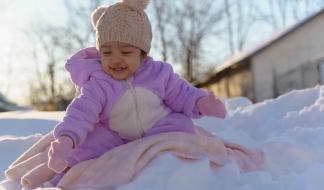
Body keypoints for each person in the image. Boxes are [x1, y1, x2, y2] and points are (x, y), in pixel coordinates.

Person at [47, 0, 226, 185]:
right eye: (106, 52)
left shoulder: (159, 73)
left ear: (142, 53)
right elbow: (81, 113)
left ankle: (174, 170)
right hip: (116, 137)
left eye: (125, 52)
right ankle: (69, 172)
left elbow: (182, 93)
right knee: (90, 144)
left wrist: (201, 102)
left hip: (159, 127)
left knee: (181, 130)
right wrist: (66, 140)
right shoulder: (98, 84)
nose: (115, 60)